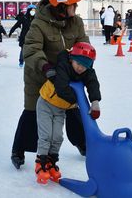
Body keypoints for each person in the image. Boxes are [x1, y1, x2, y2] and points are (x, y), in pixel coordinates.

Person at [11, 0, 89, 170]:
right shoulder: (39, 24)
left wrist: (81, 63)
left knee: (73, 111)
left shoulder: (76, 22)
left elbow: (83, 45)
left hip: (65, 77)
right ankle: (18, 150)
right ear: (62, 6)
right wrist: (46, 67)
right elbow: (31, 50)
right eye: (73, 4)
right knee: (31, 113)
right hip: (39, 76)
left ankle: (84, 144)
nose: (76, 8)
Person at [35, 42, 101, 184]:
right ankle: (41, 162)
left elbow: (93, 82)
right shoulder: (63, 66)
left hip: (60, 109)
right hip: (46, 104)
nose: (80, 68)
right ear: (72, 58)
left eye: (85, 66)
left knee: (57, 136)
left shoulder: (85, 70)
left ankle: (51, 162)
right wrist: (79, 102)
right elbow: (61, 88)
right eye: (78, 63)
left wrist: (95, 101)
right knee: (46, 135)